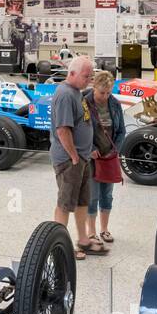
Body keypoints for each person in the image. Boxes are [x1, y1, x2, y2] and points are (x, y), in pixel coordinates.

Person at [50, 56, 103, 259]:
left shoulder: (76, 92)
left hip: (81, 158)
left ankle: (83, 239)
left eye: (91, 76)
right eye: (86, 76)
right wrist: (73, 156)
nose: (89, 80)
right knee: (65, 203)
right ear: (71, 73)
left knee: (82, 202)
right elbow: (63, 130)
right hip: (69, 160)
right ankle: (58, 247)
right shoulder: (65, 95)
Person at [84, 70, 126, 248]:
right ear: (94, 87)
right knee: (92, 195)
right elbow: (80, 130)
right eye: (102, 92)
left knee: (107, 194)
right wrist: (90, 149)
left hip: (109, 156)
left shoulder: (115, 104)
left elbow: (121, 130)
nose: (105, 96)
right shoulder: (84, 102)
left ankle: (104, 229)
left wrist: (115, 149)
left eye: (108, 92)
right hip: (91, 157)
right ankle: (91, 232)